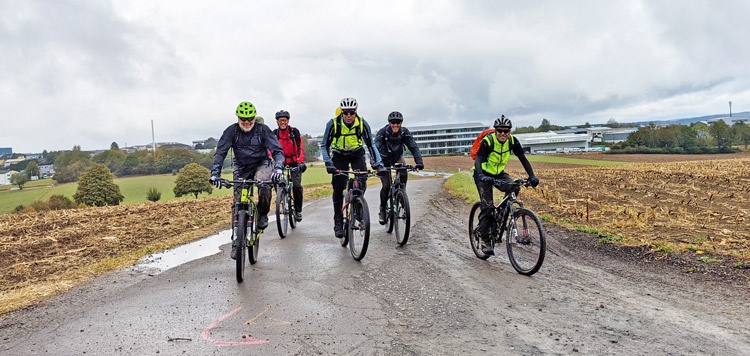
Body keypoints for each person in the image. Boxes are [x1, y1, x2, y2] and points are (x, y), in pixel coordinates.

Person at [209, 101, 285, 259]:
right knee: (238, 202)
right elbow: (220, 153)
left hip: (261, 164)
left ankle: (263, 213)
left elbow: (277, 150)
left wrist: (278, 167)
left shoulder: (262, 130)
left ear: (254, 118)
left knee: (264, 185)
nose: (247, 122)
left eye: (250, 118)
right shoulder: (231, 131)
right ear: (238, 118)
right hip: (241, 167)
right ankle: (237, 240)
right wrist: (215, 173)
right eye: (243, 119)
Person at [474, 115, 539, 256]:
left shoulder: (512, 141)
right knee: (487, 207)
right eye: (500, 131)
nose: (503, 134)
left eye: (506, 131)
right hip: (483, 174)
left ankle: (500, 215)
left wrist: (532, 176)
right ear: (495, 131)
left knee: (514, 186)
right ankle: (484, 239)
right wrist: (482, 176)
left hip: (498, 173)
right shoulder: (488, 141)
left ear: (510, 132)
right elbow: (478, 160)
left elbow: (523, 158)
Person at [321, 97, 385, 238]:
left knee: (362, 179)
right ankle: (338, 219)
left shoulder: (362, 123)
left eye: (351, 113)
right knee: (338, 186)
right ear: (342, 113)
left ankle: (358, 206)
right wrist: (328, 163)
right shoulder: (333, 124)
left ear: (355, 112)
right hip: (339, 155)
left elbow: (371, 145)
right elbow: (324, 145)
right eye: (346, 113)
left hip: (357, 153)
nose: (349, 116)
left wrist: (378, 164)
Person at [374, 111, 424, 224]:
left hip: (397, 158)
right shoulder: (382, 133)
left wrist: (419, 162)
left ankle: (401, 194)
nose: (395, 125)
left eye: (398, 123)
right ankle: (382, 209)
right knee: (386, 185)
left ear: (401, 123)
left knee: (403, 172)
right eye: (393, 122)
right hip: (384, 159)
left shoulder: (404, 132)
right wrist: (376, 165)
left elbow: (414, 147)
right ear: (389, 123)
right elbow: (375, 148)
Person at [272, 110, 306, 222]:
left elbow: (300, 148)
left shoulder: (294, 132)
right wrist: (271, 160)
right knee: (276, 180)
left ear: (288, 121)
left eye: (285, 120)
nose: (283, 122)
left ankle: (298, 210)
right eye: (280, 120)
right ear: (277, 122)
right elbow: (269, 149)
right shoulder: (275, 134)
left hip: (294, 161)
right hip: (280, 161)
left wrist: (300, 162)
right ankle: (281, 199)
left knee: (297, 186)